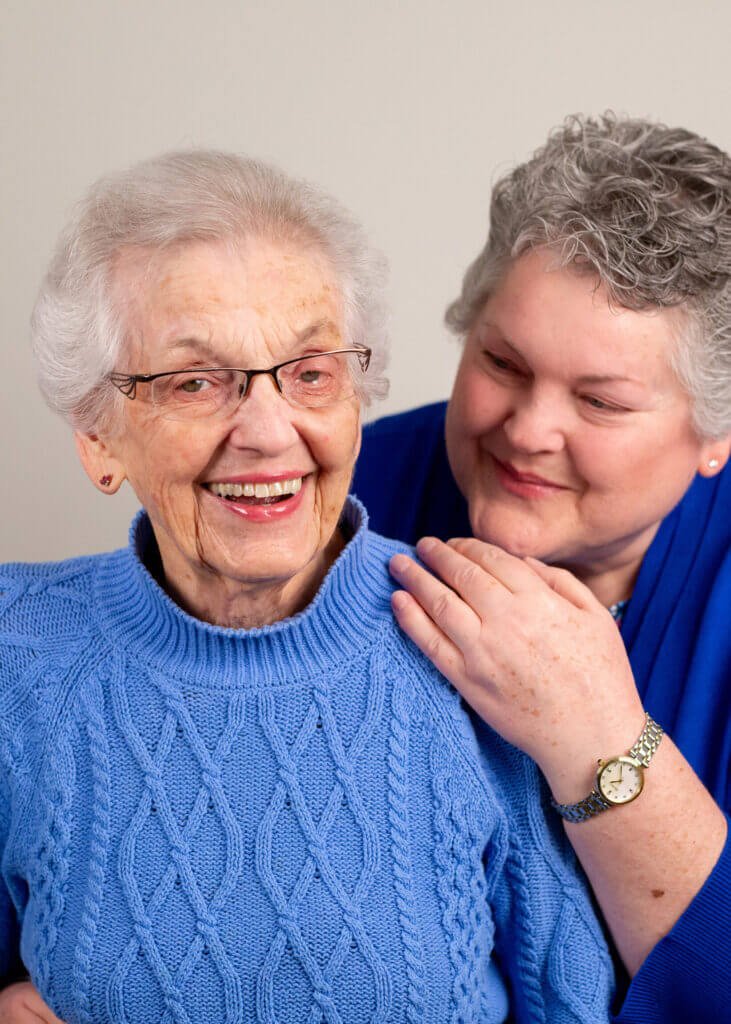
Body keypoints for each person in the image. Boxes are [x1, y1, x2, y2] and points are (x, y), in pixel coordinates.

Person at [0, 150, 616, 1024]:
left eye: (311, 373)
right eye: (195, 381)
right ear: (99, 438)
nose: (266, 430)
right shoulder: (15, 652)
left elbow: (572, 1004)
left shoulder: (487, 641)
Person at [353, 113, 731, 1023]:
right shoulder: (342, 493)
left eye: (598, 401)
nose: (526, 430)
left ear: (715, 433)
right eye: (500, 363)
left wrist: (597, 741)